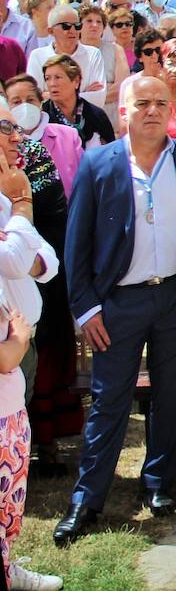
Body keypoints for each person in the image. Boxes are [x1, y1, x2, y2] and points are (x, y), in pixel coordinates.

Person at [55, 76, 176, 545]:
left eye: (160, 103)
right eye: (142, 103)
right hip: (119, 305)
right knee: (110, 401)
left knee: (172, 398)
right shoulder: (97, 164)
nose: (152, 110)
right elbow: (77, 242)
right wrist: (86, 309)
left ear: (172, 109)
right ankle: (87, 500)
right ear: (124, 110)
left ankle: (158, 483)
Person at [0, 120, 64, 589]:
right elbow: (14, 260)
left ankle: (7, 564)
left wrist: (28, 252)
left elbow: (43, 259)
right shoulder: (14, 200)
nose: (14, 153)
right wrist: (23, 203)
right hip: (7, 350)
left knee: (10, 477)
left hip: (18, 347)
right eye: (5, 138)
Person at [27, 4, 105, 100]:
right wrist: (83, 94)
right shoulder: (37, 56)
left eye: (77, 26)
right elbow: (34, 98)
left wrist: (52, 96)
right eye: (66, 26)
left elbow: (98, 98)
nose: (72, 30)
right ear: (51, 31)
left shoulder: (93, 54)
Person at [41, 55, 115, 150]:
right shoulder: (42, 117)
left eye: (58, 77)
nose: (52, 84)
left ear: (76, 81)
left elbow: (112, 154)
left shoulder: (96, 115)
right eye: (47, 78)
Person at [79, 5, 127, 127]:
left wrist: (86, 95)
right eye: (89, 21)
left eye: (99, 22)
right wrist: (105, 88)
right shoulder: (72, 51)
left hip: (111, 117)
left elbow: (121, 87)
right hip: (81, 117)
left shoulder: (116, 50)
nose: (94, 25)